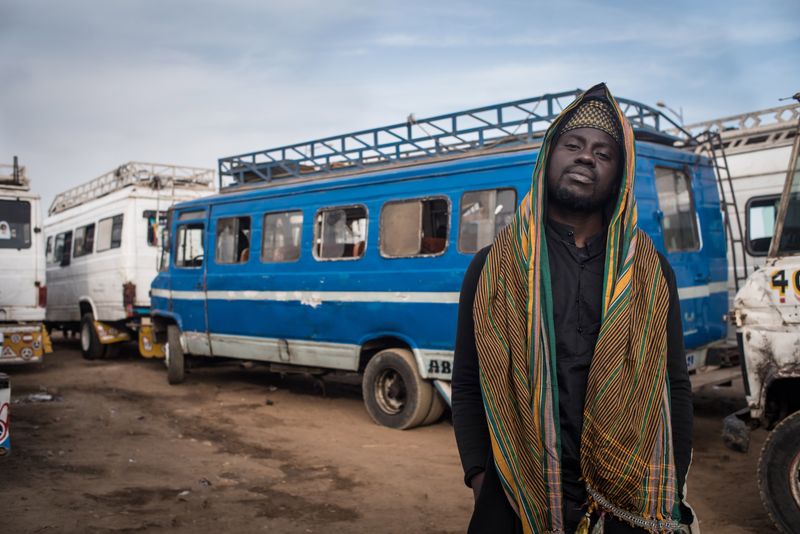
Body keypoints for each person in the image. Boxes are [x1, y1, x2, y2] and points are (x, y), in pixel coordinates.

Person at [452, 83, 693, 533]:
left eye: (604, 153)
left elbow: (673, 384)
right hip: (515, 493)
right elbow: (468, 383)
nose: (587, 157)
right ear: (548, 158)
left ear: (619, 176)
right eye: (573, 145)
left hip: (628, 502)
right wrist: (481, 479)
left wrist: (671, 487)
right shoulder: (492, 266)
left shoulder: (650, 270)